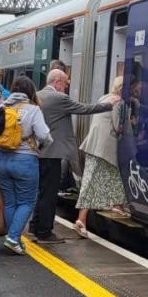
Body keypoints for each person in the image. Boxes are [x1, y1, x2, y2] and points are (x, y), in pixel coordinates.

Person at [32, 69, 113, 243]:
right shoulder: (58, 98)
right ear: (57, 82)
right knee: (50, 194)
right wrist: (109, 104)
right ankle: (45, 232)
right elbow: (84, 108)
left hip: (39, 152)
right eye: (66, 83)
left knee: (41, 191)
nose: (66, 87)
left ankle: (35, 226)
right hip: (53, 153)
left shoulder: (37, 95)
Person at [0, 76, 52, 255]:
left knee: (10, 201)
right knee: (27, 201)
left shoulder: (1, 106)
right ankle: (12, 238)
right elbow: (45, 135)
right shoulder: (33, 110)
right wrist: (40, 146)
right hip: (25, 161)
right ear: (30, 91)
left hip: (1, 160)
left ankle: (14, 239)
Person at [73, 77, 128, 237]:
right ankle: (81, 219)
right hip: (104, 148)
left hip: (94, 145)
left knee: (113, 176)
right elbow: (118, 127)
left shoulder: (104, 98)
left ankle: (118, 205)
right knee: (90, 183)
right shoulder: (118, 102)